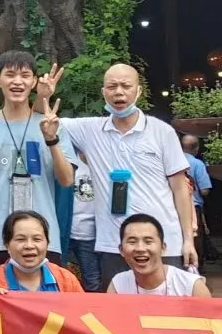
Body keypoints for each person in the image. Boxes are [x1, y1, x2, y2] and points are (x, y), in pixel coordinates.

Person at [55, 62, 198, 285]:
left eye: (126, 86)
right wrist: (43, 95)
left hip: (162, 242)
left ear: (138, 91)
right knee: (118, 304)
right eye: (112, 87)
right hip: (114, 245)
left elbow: (180, 189)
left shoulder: (162, 132)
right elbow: (44, 122)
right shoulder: (89, 130)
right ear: (103, 92)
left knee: (165, 304)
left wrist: (188, 239)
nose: (119, 92)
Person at [0, 53, 75, 275]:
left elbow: (66, 180)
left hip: (42, 238)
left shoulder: (51, 125)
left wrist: (51, 139)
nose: (17, 81)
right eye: (10, 74)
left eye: (25, 75)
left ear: (34, 82)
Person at [180, 134, 215, 259]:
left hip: (173, 207)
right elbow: (205, 190)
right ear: (196, 148)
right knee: (195, 240)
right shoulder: (197, 164)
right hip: (193, 208)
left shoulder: (171, 161)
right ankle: (196, 265)